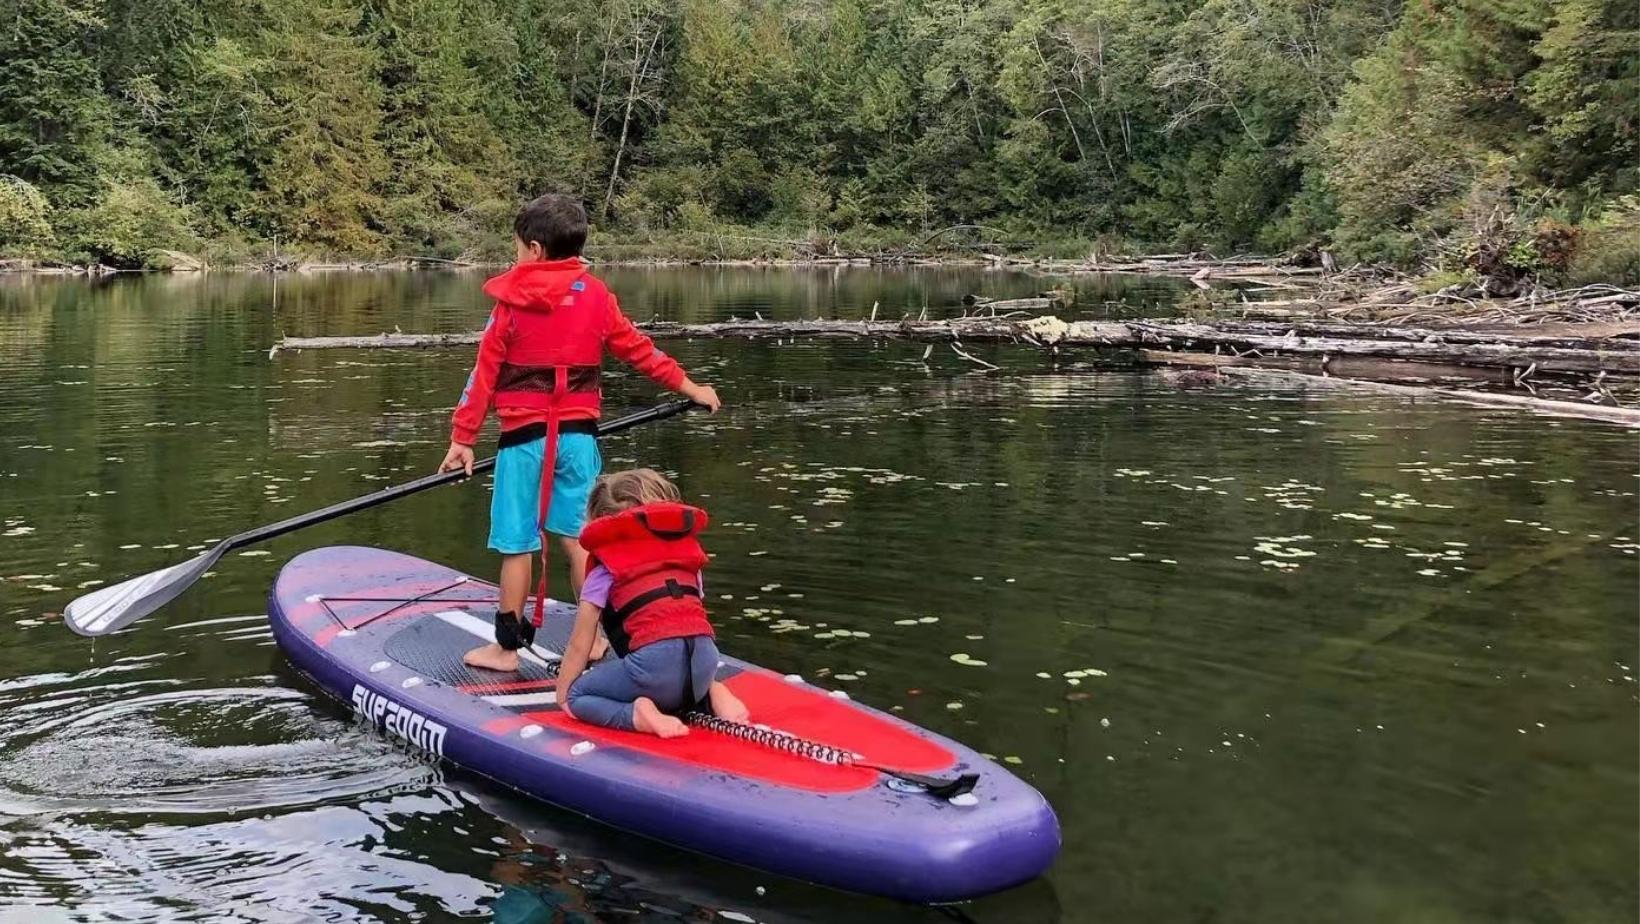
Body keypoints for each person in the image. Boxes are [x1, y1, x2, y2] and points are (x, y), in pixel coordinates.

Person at [439, 194, 720, 673]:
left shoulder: (509, 305)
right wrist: (690, 386)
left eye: (516, 247)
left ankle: (506, 649)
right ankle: (594, 642)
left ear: (533, 249)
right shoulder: (596, 296)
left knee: (516, 543)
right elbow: (638, 349)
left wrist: (462, 440)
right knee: (579, 538)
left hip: (523, 443)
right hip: (578, 440)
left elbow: (483, 376)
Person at [557, 469, 748, 738]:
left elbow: (581, 642)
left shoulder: (605, 568)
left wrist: (564, 692)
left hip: (653, 667)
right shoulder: (686, 557)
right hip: (705, 660)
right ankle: (713, 691)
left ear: (599, 522)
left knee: (577, 697)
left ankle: (638, 714)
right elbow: (688, 618)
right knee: (677, 671)